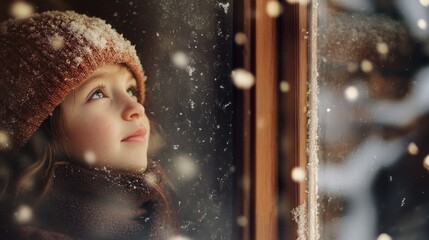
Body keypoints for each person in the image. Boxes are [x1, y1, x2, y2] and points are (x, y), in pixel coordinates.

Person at [0, 10, 178, 239]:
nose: (137, 109)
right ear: (43, 133)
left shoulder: (156, 208)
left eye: (130, 90)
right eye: (97, 94)